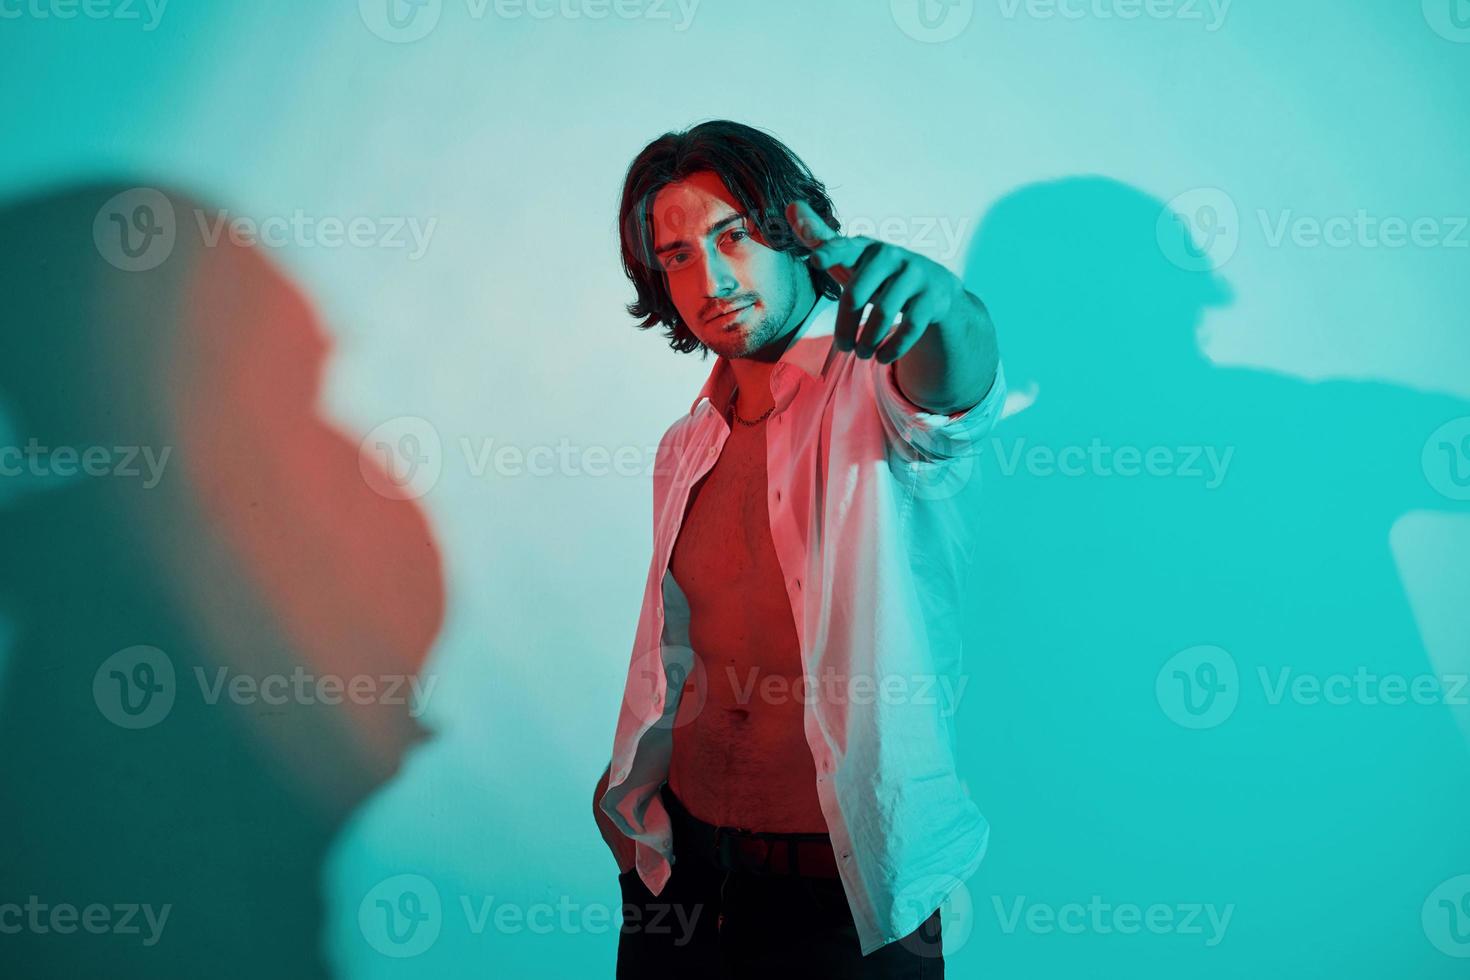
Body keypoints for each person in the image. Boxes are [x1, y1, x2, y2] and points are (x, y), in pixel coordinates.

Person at [593, 120, 1006, 977]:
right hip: (682, 875)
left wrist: (943, 302)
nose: (710, 278)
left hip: (846, 904)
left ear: (795, 232)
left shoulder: (877, 393)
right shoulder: (687, 443)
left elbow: (954, 389)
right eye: (676, 257)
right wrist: (626, 797)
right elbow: (681, 646)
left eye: (733, 236)